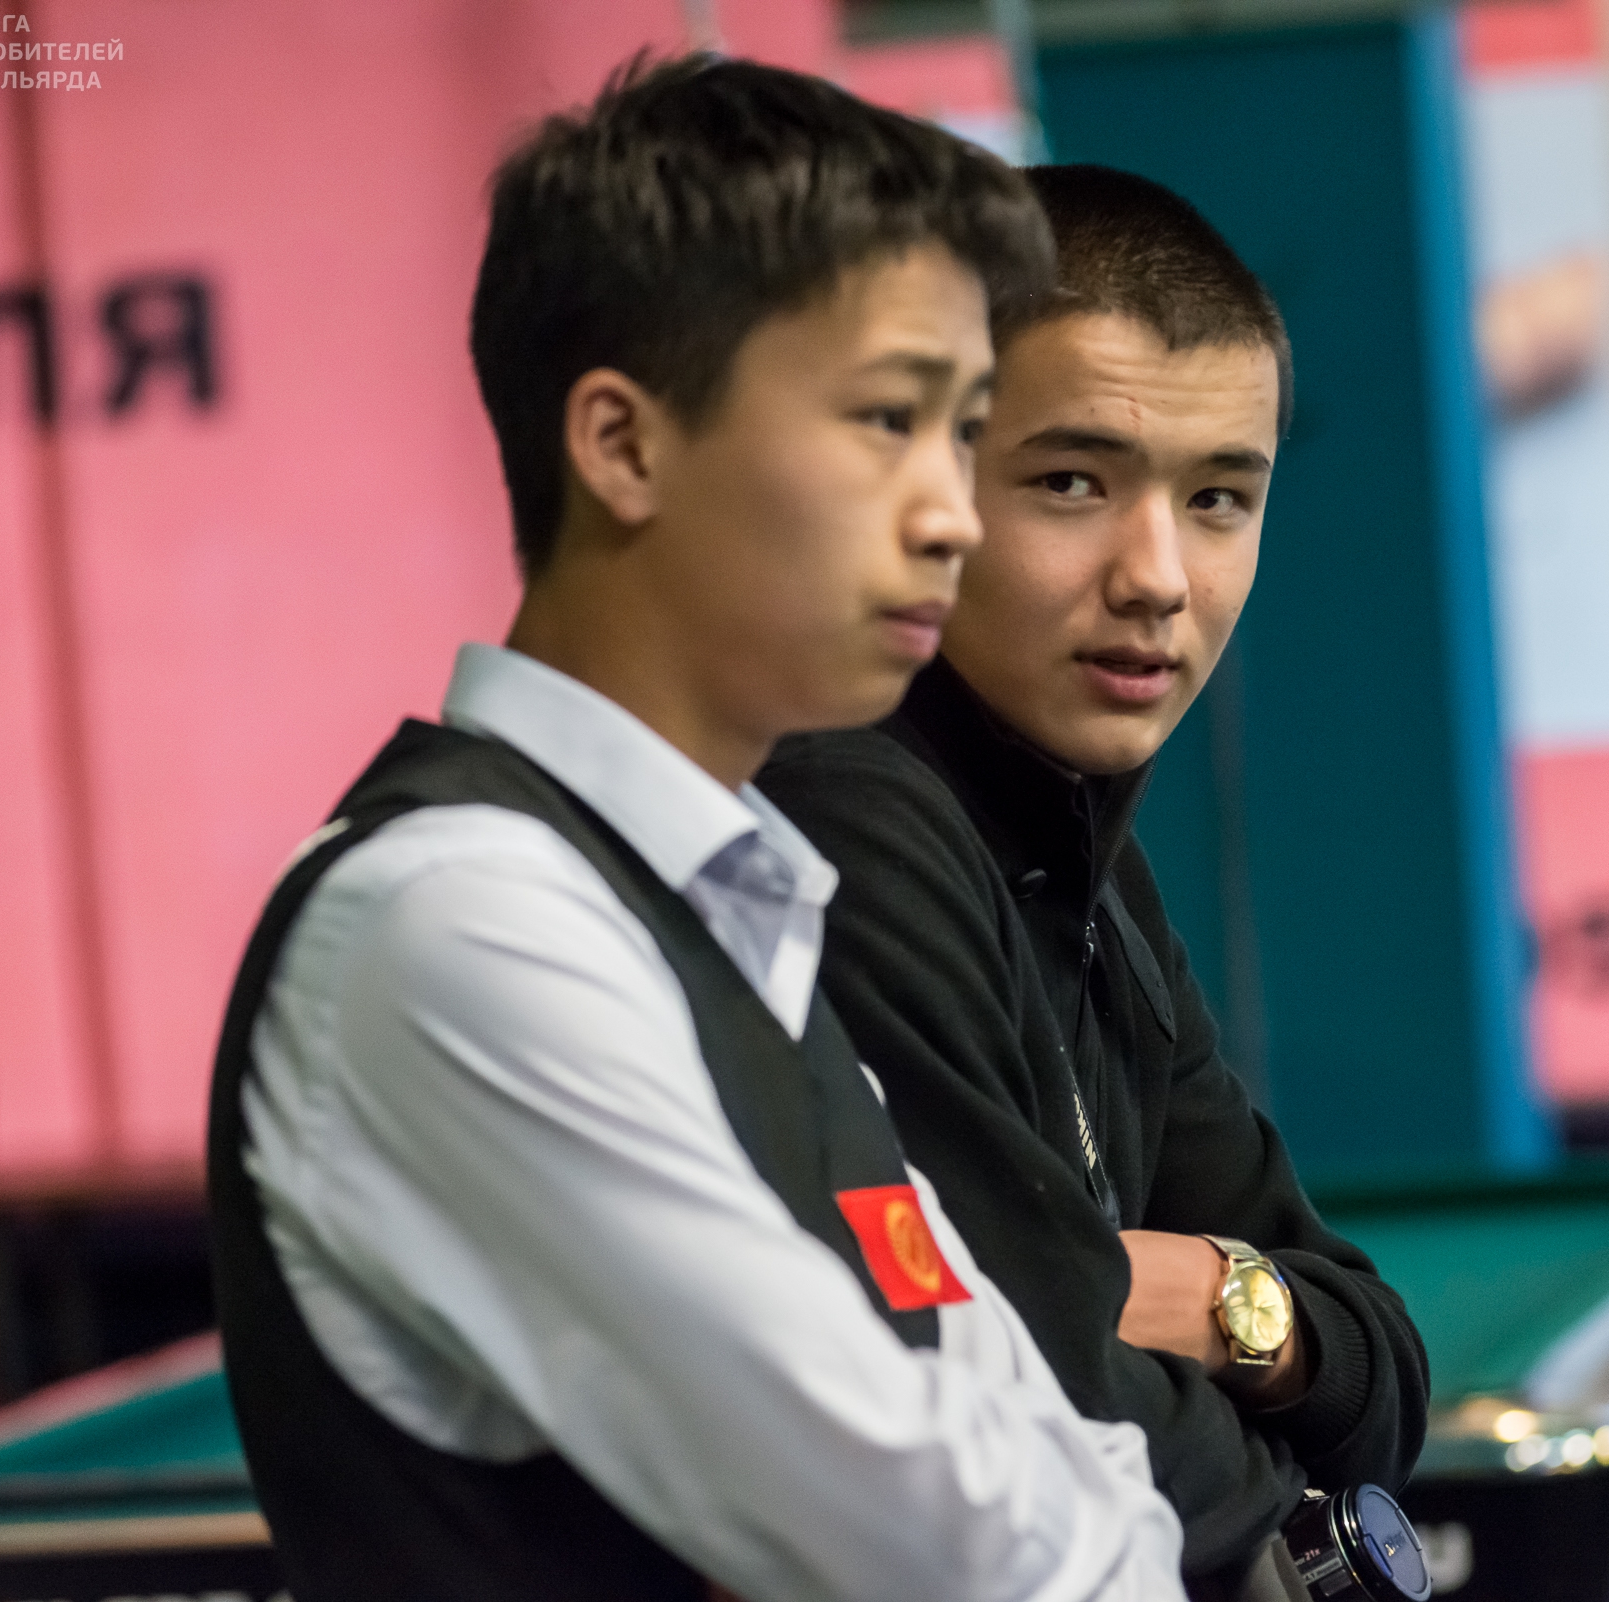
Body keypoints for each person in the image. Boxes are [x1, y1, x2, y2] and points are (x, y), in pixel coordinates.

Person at [206, 62, 1189, 1602]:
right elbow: (933, 1542)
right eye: (887, 419)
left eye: (965, 430)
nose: (951, 510)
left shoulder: (730, 907)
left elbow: (1054, 1447)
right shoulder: (456, 920)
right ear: (623, 443)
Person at [758, 165, 1429, 1599]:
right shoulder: (846, 822)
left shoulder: (1089, 862)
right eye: (1073, 482)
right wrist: (1260, 1382)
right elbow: (1053, 1415)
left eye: (1220, 497)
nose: (1159, 577)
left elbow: (1385, 1379)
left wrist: (1221, 1295)